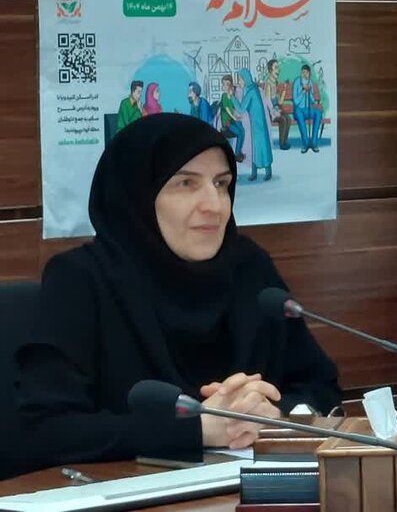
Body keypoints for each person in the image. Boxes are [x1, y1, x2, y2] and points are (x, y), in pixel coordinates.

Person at [15, 114, 341, 469]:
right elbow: (45, 430)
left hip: (252, 489)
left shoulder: (251, 270)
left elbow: (321, 389)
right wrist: (197, 429)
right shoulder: (81, 279)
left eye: (221, 183)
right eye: (186, 183)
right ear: (137, 194)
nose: (214, 205)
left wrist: (271, 415)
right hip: (125, 491)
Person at [234, 68, 274, 181]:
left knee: (260, 146)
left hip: (257, 123)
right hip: (256, 122)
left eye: (240, 79)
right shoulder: (251, 88)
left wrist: (232, 97)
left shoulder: (251, 91)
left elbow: (241, 108)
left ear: (245, 79)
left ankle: (266, 172)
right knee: (255, 147)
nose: (239, 82)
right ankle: (255, 172)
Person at [292, 64, 323, 154]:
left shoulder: (310, 82)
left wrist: (309, 92)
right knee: (300, 116)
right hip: (298, 110)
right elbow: (296, 101)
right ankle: (305, 143)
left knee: (318, 113)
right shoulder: (297, 82)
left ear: (309, 74)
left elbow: (312, 101)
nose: (304, 74)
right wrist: (303, 91)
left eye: (306, 73)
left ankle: (314, 142)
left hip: (307, 110)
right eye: (303, 72)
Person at [263, 59, 291, 150]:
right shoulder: (268, 83)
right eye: (276, 67)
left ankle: (285, 141)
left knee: (288, 118)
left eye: (278, 67)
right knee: (283, 119)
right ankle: (281, 144)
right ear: (270, 70)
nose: (278, 69)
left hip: (276, 109)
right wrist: (274, 112)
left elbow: (280, 102)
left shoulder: (276, 83)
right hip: (269, 112)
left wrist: (285, 89)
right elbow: (267, 101)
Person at [219, 75, 246, 163]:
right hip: (227, 122)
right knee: (239, 133)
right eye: (224, 84)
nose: (225, 86)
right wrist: (234, 117)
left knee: (242, 131)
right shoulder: (224, 96)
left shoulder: (232, 96)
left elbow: (234, 108)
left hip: (232, 120)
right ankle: (237, 154)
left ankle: (239, 152)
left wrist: (237, 116)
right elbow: (227, 109)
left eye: (227, 84)